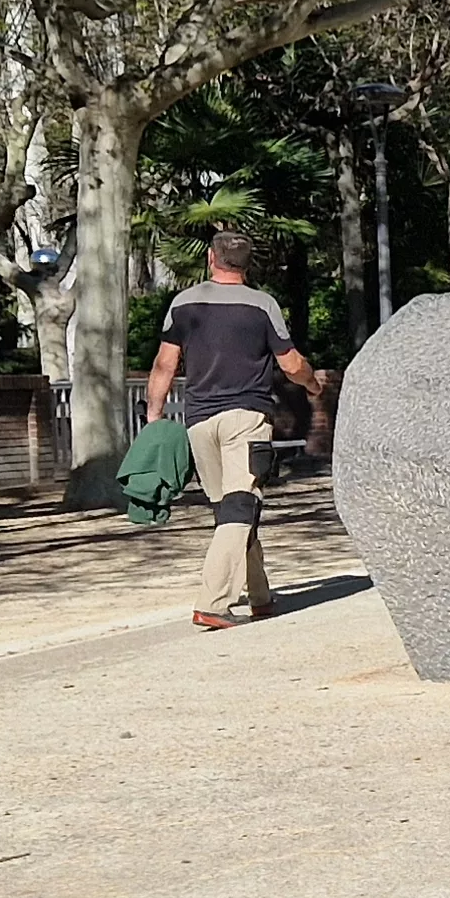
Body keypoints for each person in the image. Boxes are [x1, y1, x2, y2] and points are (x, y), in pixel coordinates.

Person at [143, 230, 322, 629]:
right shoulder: (262, 305)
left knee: (232, 509)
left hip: (199, 422)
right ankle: (213, 603)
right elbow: (291, 363)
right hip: (246, 418)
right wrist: (312, 385)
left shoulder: (183, 303)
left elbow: (164, 364)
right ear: (247, 264)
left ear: (211, 258)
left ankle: (259, 595)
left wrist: (154, 415)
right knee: (240, 507)